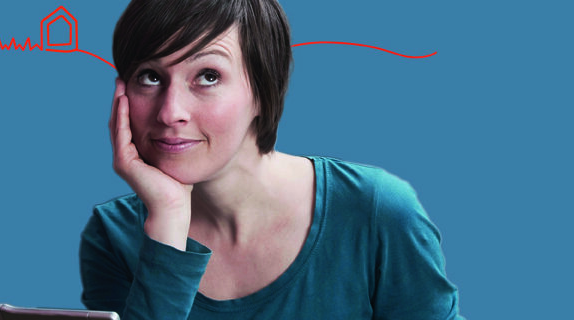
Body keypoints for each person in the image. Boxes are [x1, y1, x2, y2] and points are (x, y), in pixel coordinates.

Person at [79, 0, 465, 319]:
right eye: (149, 76)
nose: (170, 112)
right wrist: (166, 219)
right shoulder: (114, 235)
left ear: (263, 90)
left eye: (208, 76)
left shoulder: (378, 213)